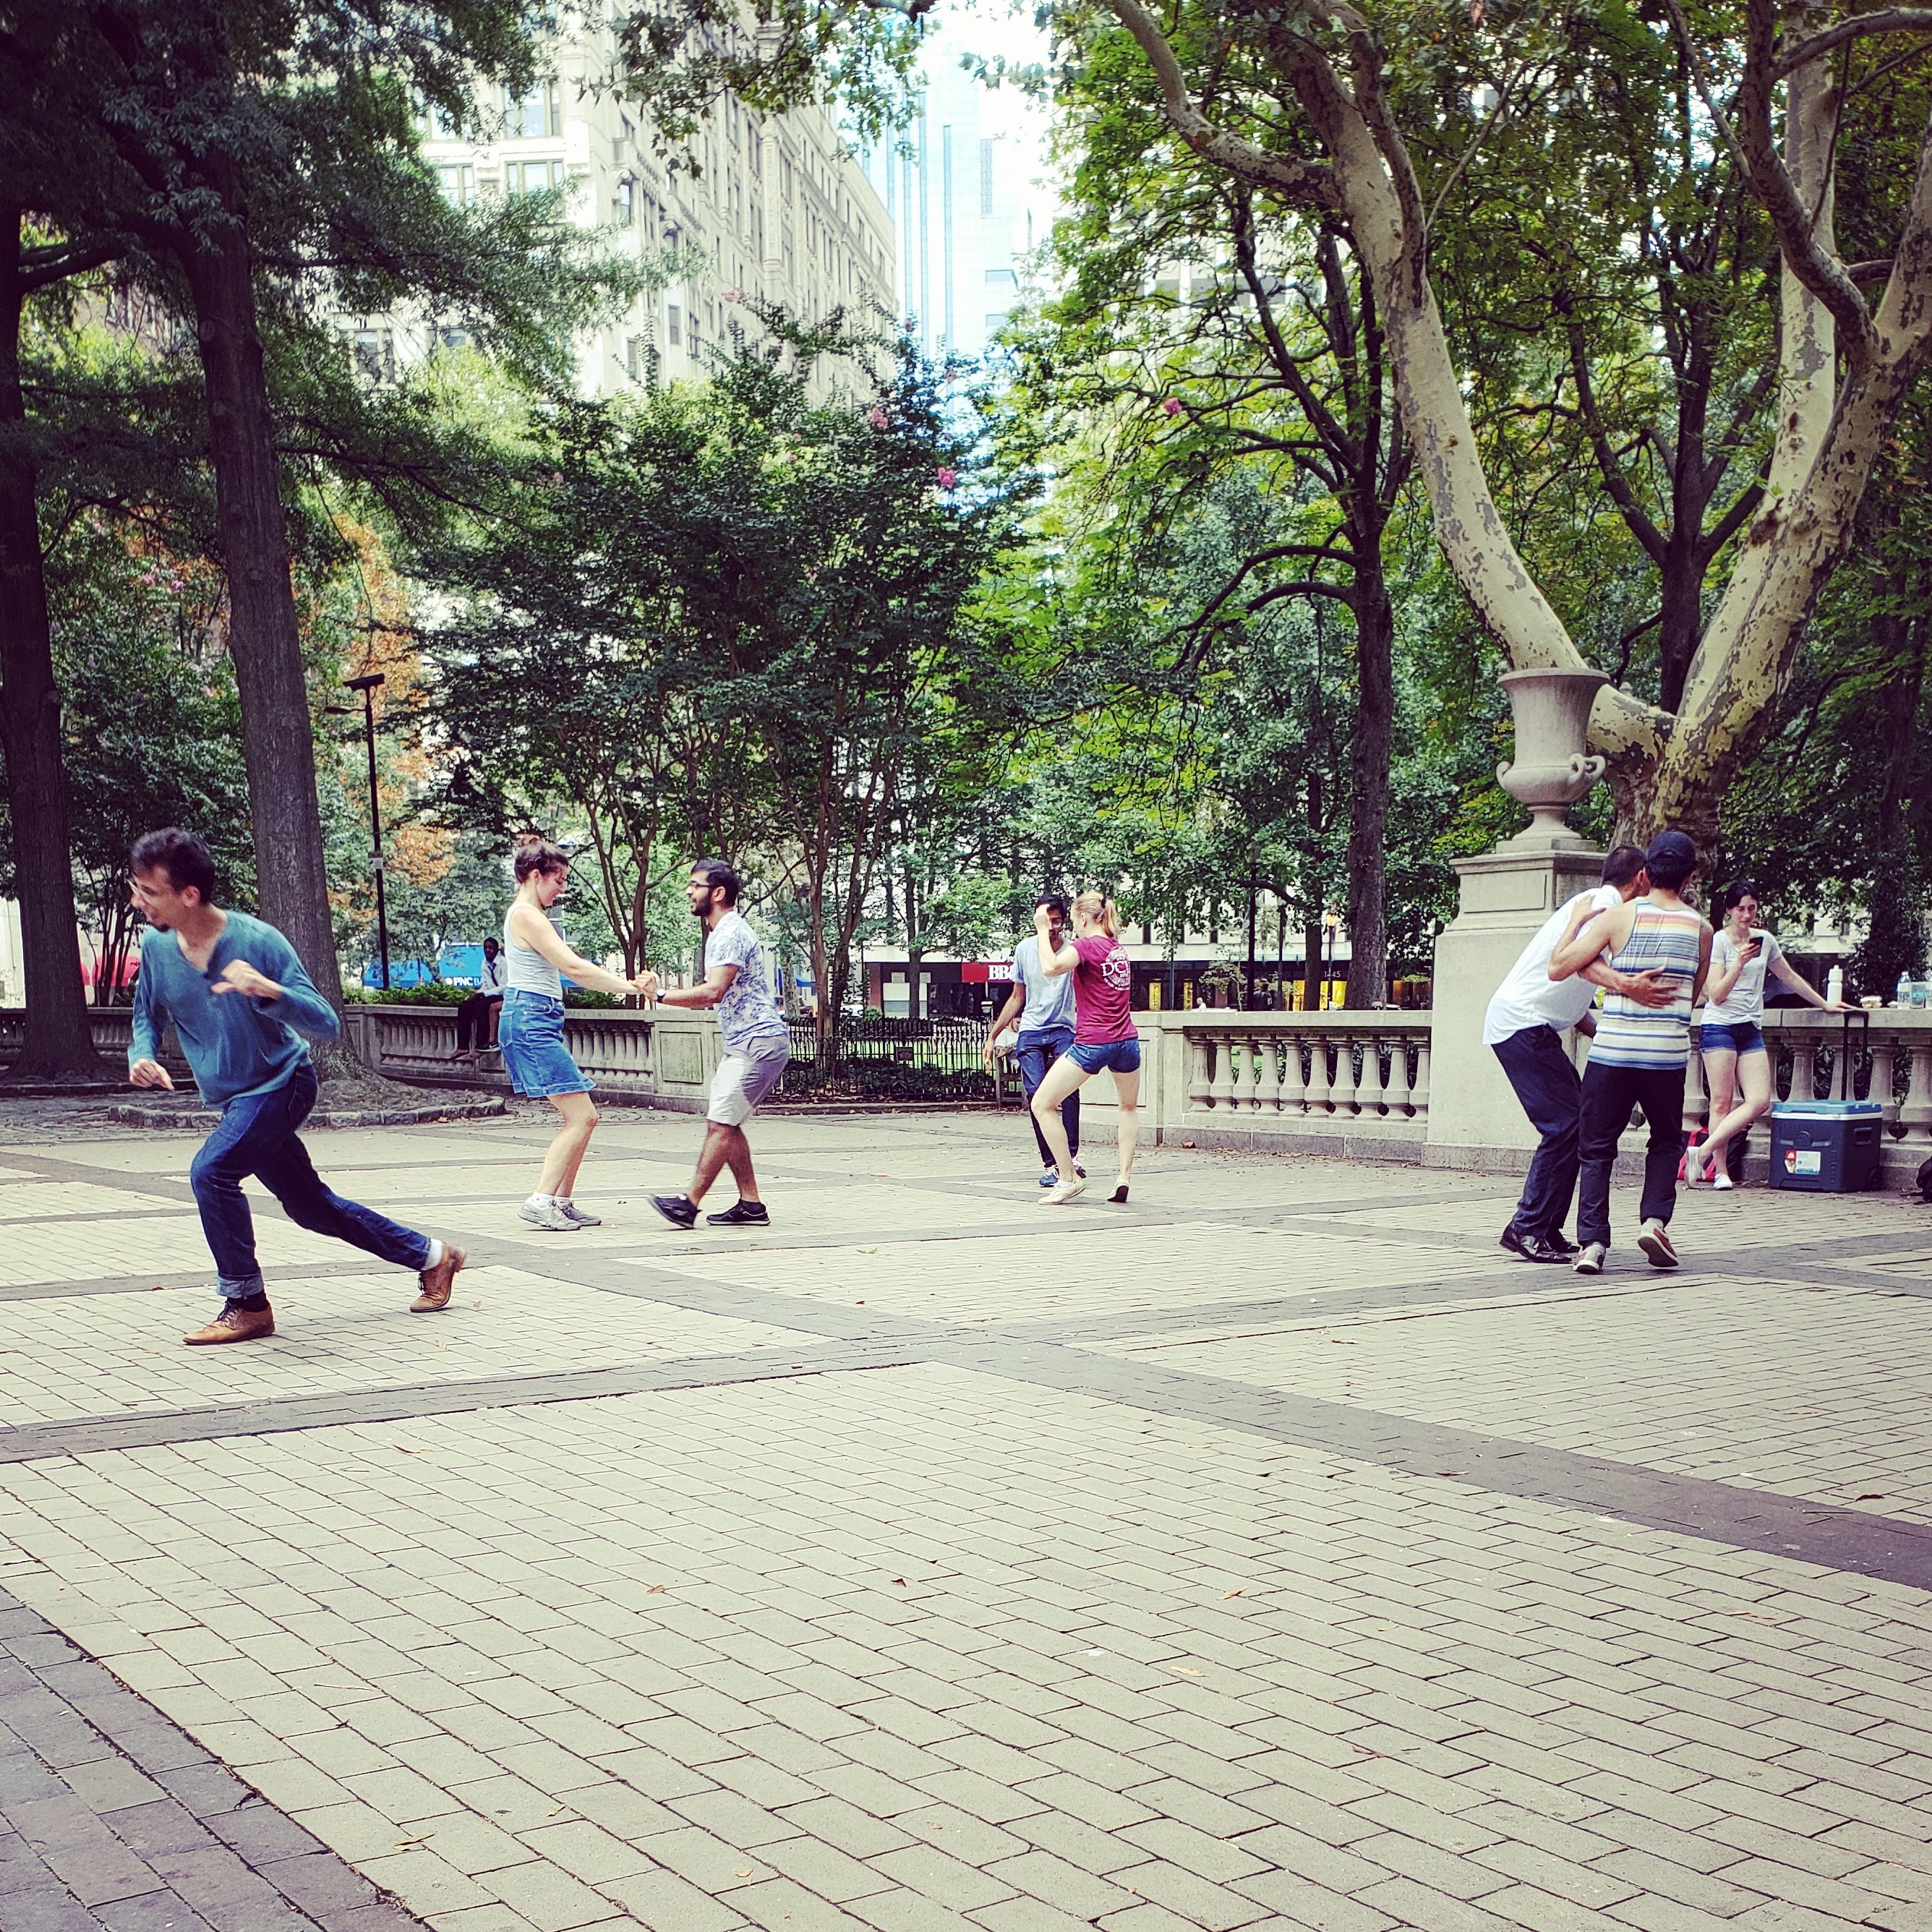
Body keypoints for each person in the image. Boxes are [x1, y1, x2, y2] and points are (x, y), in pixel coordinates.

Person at [124, 828, 465, 1344]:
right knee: (311, 1207)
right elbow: (145, 1013)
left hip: (283, 1083)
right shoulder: (156, 947)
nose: (138, 901)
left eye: (149, 891)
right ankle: (434, 1257)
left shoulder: (258, 942)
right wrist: (142, 1054)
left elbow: (326, 1022)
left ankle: (247, 1303)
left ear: (188, 894)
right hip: (237, 1098)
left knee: (211, 1172)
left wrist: (269, 990)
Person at [1483, 845, 1675, 1263]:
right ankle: (1526, 1228)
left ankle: (1545, 1229)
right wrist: (1628, 986)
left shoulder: (1596, 903)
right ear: (1642, 877)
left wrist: (1606, 1034)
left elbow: (1572, 1002)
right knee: (1565, 1126)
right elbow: (1576, 965)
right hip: (1522, 1025)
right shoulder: (1605, 904)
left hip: (1529, 1026)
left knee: (1578, 1126)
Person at [1550, 829, 1713, 1275]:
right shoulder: (1703, 931)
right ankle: (1654, 1222)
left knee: (1596, 1147)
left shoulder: (1617, 918)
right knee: (1665, 1141)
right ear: (1690, 878)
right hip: (1666, 1056)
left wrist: (1580, 932)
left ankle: (1592, 1245)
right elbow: (1692, 997)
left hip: (1613, 1052)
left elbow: (1559, 966)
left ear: (1646, 873)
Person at [499, 842, 653, 1231]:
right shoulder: (528, 916)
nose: (562, 888)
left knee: (583, 1118)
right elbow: (574, 968)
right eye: (558, 880)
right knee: (583, 1117)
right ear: (536, 875)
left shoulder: (528, 915)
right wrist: (632, 987)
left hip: (535, 1019)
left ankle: (561, 1201)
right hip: (531, 1021)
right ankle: (541, 1201)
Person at [640, 859, 792, 1229]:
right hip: (746, 1043)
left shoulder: (729, 933)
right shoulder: (722, 932)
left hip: (758, 1043)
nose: (688, 892)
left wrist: (660, 995)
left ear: (718, 892)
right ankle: (751, 1205)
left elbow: (713, 991)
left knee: (721, 1124)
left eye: (696, 885)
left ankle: (688, 1205)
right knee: (726, 1122)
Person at [1693, 879, 1848, 1187]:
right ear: (1729, 911)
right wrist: (1739, 962)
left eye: (1752, 908)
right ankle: (1721, 1172)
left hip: (1750, 1028)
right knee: (1722, 1102)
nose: (1747, 915)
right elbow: (1716, 995)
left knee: (1759, 1100)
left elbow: (1789, 976)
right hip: (1719, 1026)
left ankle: (1703, 1151)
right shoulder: (1720, 942)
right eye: (1741, 909)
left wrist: (1824, 1003)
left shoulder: (1765, 940)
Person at [1027, 890, 1140, 1206]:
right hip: (1127, 1041)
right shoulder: (1117, 949)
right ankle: (1123, 1177)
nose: (1072, 928)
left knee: (1042, 1105)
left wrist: (1041, 929)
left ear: (1083, 917)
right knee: (1128, 1108)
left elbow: (1051, 967)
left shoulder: (1086, 946)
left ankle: (1067, 1178)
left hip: (1093, 1042)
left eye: (1074, 921)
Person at [982, 894, 1086, 1187]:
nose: (1051, 927)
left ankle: (1071, 1158)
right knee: (1037, 1096)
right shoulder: (1025, 949)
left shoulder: (1073, 951)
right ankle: (1052, 1164)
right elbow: (1017, 996)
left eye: (1056, 921)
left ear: (1063, 922)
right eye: (1045, 920)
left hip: (1063, 1029)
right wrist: (992, 1036)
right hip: (1031, 1031)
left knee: (1068, 1090)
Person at [453, 936, 504, 1063]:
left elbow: (504, 987)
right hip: (490, 993)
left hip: (503, 994)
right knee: (465, 1006)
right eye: (486, 948)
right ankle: (463, 1046)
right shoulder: (485, 963)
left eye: (491, 948)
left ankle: (482, 1044)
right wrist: (476, 994)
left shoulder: (504, 963)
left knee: (481, 1006)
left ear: (497, 949)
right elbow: (486, 984)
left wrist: (484, 995)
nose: (488, 951)